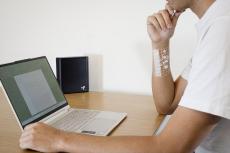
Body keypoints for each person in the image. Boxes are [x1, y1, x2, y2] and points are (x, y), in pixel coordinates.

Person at [19, 0, 230, 152]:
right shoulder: (214, 25)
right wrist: (160, 44)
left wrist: (59, 140)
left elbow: (171, 148)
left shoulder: (223, 29)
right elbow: (167, 104)